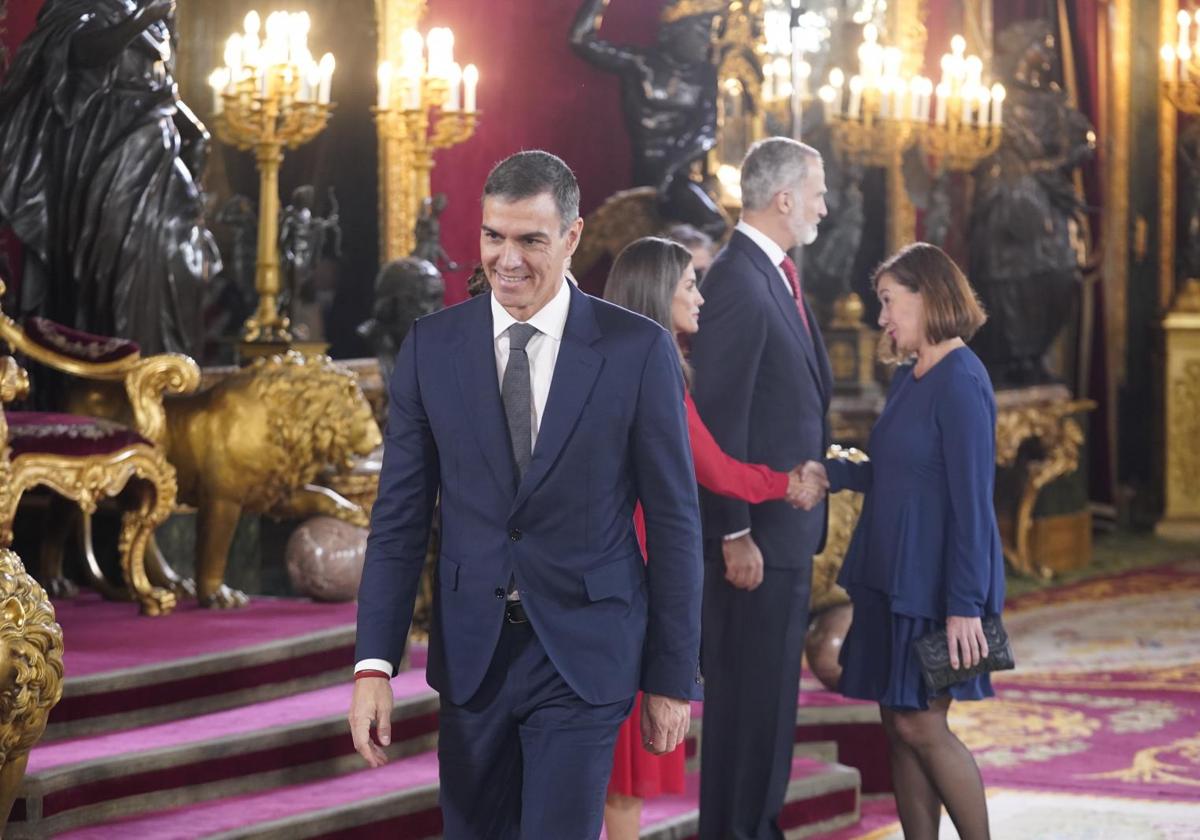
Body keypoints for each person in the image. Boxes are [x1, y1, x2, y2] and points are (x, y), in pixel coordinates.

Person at [348, 151, 704, 839]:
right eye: (493, 237)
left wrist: (670, 676)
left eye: (530, 240)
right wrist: (373, 664)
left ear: (571, 238)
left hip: (585, 651)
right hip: (473, 654)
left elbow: (676, 524)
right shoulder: (431, 348)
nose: (506, 260)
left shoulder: (637, 351)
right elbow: (398, 521)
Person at [601, 236, 810, 839]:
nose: (700, 296)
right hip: (632, 580)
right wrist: (787, 482)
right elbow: (716, 469)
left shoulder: (612, 357)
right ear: (656, 292)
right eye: (690, 283)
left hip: (605, 575)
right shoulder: (655, 364)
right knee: (621, 776)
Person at [797, 242, 1004, 840]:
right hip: (895, 578)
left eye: (889, 302)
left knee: (921, 726)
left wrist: (965, 605)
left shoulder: (962, 378)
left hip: (939, 586)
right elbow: (895, 470)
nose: (881, 317)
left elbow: (971, 502)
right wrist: (830, 473)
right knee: (898, 723)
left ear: (928, 296)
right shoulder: (914, 375)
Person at [688, 136, 831, 839]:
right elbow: (719, 421)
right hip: (756, 544)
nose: (823, 207)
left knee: (770, 708)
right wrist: (734, 531)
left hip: (781, 533)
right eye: (817, 192)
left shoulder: (769, 273)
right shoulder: (739, 281)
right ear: (784, 200)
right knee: (750, 711)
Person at [0, 0, 220, 356]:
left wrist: (192, 128)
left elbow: (158, 78)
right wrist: (142, 18)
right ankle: (120, 368)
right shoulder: (82, 3)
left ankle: (168, 361)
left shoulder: (153, 8)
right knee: (118, 259)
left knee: (179, 251)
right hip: (109, 142)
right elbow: (79, 53)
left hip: (158, 135)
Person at [570, 0, 728, 238]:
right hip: (644, 170)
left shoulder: (705, 74)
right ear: (677, 30)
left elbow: (708, 131)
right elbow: (581, 40)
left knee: (716, 226)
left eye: (711, 32)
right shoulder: (640, 62)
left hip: (678, 174)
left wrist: (670, 169)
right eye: (701, 31)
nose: (707, 41)